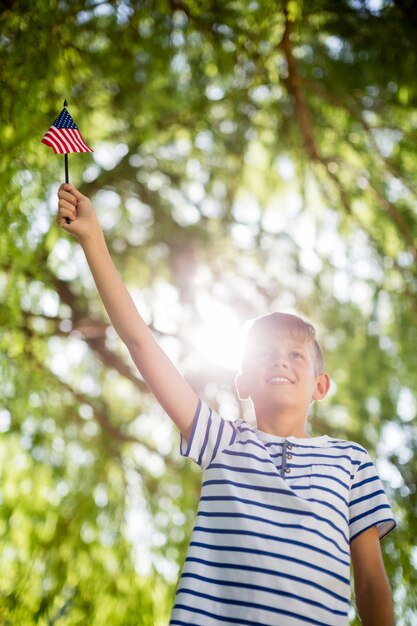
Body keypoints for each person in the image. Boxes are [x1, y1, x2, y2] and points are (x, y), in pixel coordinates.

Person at [57, 183, 396, 626]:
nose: (279, 360)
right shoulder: (221, 441)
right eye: (264, 354)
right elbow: (140, 341)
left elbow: (371, 584)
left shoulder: (351, 462)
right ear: (242, 384)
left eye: (295, 355)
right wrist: (92, 237)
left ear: (320, 384)